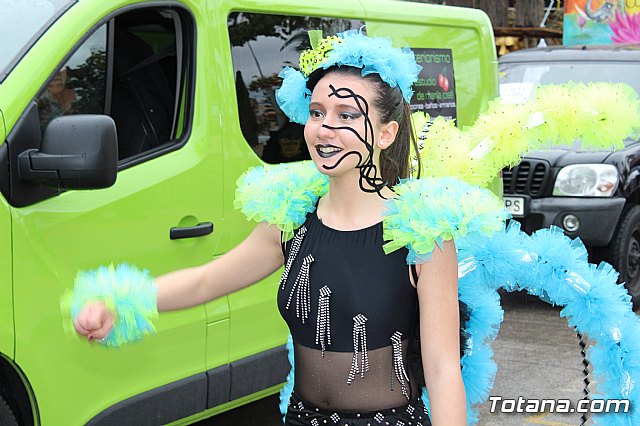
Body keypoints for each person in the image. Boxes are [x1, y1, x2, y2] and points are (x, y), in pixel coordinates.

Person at [72, 30, 467, 426]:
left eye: (346, 116)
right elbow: (206, 281)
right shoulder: (289, 221)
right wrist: (118, 302)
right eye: (316, 113)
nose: (324, 128)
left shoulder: (423, 233)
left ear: (386, 133)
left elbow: (442, 367)